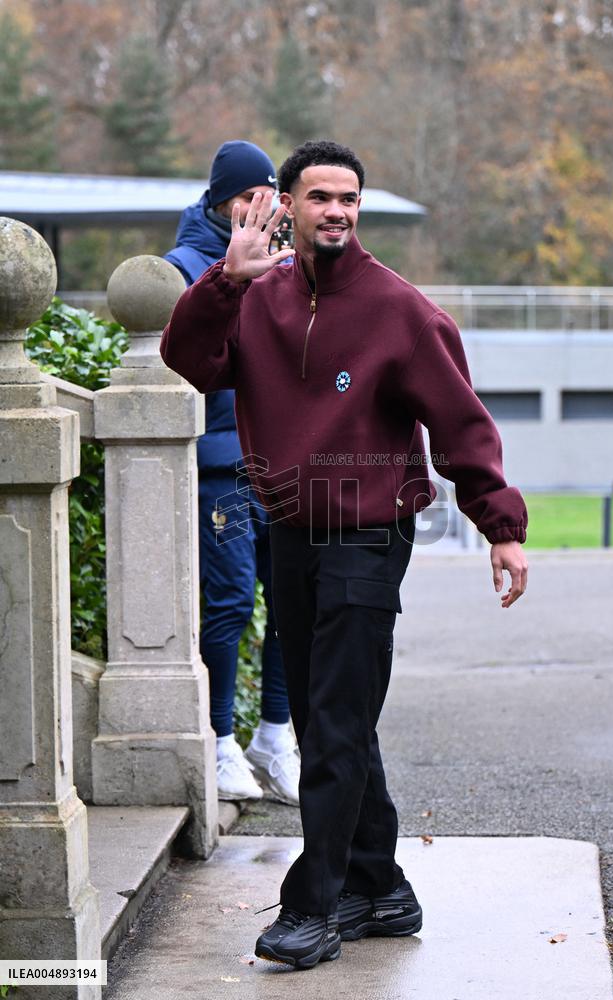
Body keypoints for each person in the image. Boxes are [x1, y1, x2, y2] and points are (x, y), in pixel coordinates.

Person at [160, 140, 529, 970]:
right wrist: (226, 279)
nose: (337, 212)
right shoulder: (256, 295)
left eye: (350, 200)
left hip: (370, 532)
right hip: (290, 528)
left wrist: (500, 525)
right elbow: (188, 362)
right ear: (283, 203)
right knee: (343, 715)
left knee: (330, 716)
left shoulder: (399, 309)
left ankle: (313, 908)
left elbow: (462, 423)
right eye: (321, 197)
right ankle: (381, 889)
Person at [164, 140, 300, 806]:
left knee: (294, 600)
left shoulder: (285, 265)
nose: (259, 209)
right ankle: (219, 741)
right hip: (223, 469)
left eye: (267, 198)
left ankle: (273, 739)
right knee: (231, 601)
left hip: (281, 463)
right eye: (248, 196)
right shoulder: (183, 268)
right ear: (222, 198)